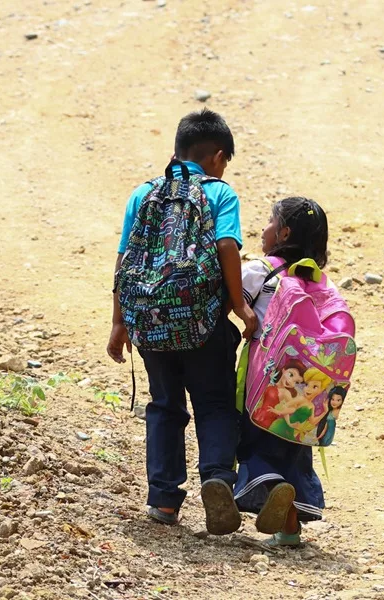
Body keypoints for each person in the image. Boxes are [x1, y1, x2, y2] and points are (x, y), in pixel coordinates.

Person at [107, 109, 257, 535]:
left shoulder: (143, 194)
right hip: (204, 322)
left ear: (177, 150)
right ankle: (216, 479)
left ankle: (164, 500)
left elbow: (124, 258)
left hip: (150, 322)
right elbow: (227, 245)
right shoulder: (219, 194)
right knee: (214, 403)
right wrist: (239, 307)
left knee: (164, 405)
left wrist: (119, 322)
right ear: (218, 157)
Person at [234, 196, 330, 545]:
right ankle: (289, 529)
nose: (264, 229)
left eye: (270, 222)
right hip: (307, 385)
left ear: (284, 232)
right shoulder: (318, 280)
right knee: (292, 443)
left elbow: (233, 296)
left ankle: (271, 486)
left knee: (257, 436)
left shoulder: (263, 270)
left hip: (265, 377)